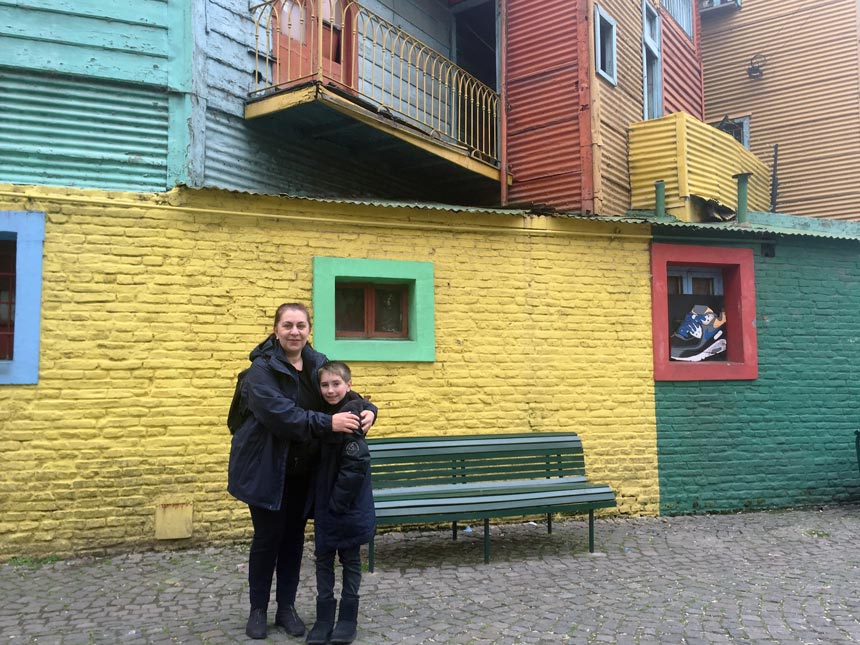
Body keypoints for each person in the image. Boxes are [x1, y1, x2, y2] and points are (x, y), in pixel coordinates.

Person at [227, 303, 376, 640]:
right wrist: (328, 422)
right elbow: (281, 416)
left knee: (293, 540)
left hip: (302, 470)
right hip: (265, 467)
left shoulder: (317, 363)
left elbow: (341, 393)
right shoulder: (260, 371)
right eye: (287, 325)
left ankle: (286, 609)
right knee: (267, 540)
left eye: (301, 325)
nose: (294, 332)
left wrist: (368, 410)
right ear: (276, 330)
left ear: (310, 329)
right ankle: (257, 611)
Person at [306, 361, 376, 645]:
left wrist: (336, 504)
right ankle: (324, 617)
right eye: (325, 385)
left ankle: (347, 617)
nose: (330, 390)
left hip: (344, 506)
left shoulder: (352, 416)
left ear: (348, 385)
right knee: (322, 559)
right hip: (324, 501)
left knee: (349, 559)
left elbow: (354, 465)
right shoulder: (323, 412)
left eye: (336, 384)